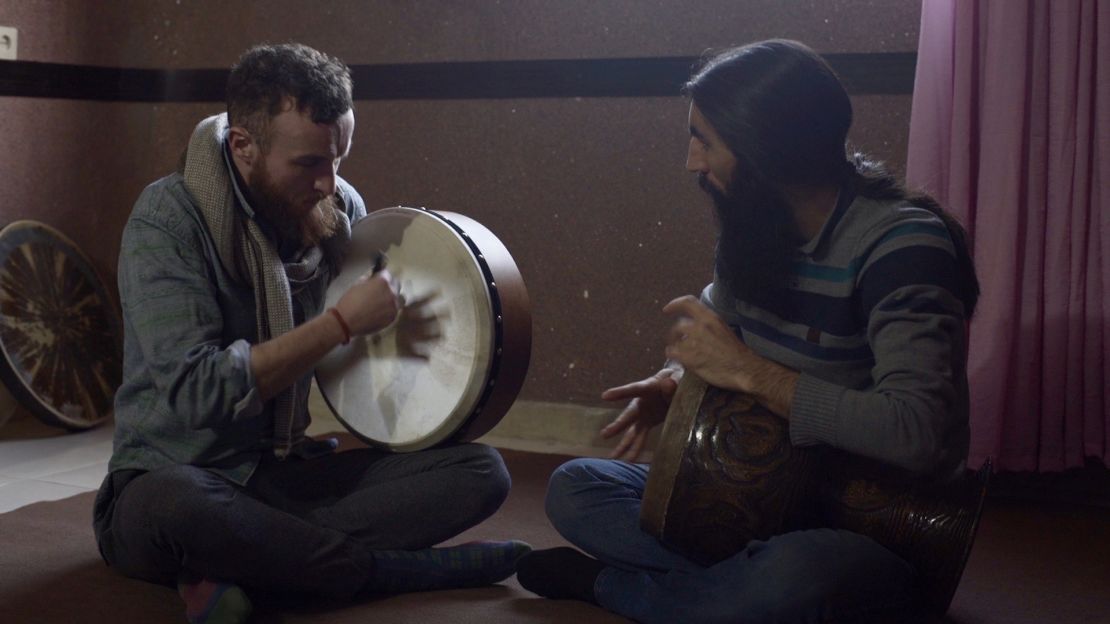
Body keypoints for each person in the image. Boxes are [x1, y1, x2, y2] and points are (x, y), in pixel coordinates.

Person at [516, 39, 980, 623]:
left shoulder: (903, 245)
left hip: (873, 526)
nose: (693, 162)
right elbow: (719, 342)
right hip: (759, 495)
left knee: (797, 575)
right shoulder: (755, 228)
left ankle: (619, 588)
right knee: (576, 488)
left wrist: (746, 372)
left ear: (769, 150)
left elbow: (917, 434)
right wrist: (675, 383)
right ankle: (730, 593)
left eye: (707, 141)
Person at [92, 43, 529, 624]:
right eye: (309, 164)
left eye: (339, 159)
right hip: (172, 475)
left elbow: (364, 355)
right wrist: (340, 323)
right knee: (182, 508)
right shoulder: (168, 220)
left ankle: (241, 563)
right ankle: (396, 570)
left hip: (281, 474)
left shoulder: (335, 207)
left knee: (479, 472)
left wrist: (406, 335)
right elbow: (196, 393)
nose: (330, 184)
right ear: (242, 145)